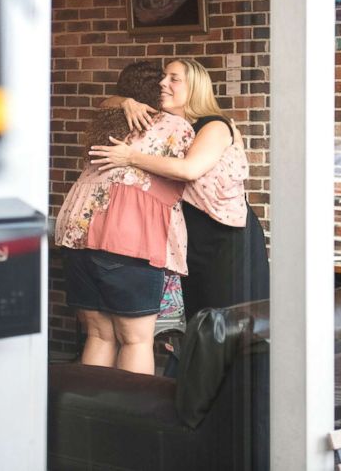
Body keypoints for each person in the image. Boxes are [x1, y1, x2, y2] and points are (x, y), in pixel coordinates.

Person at [89, 58, 270, 320]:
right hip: (191, 234)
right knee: (199, 323)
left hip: (226, 238)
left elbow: (189, 169)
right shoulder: (165, 123)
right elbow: (103, 105)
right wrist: (127, 102)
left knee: (230, 325)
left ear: (194, 88)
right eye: (163, 77)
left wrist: (129, 157)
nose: (163, 83)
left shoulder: (214, 125)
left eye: (173, 79)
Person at [54, 61, 194, 375]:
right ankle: (131, 420)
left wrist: (123, 101)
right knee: (136, 341)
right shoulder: (175, 127)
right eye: (164, 83)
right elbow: (191, 172)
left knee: (100, 334)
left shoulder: (107, 119)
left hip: (75, 232)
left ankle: (92, 416)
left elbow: (107, 102)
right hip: (124, 236)